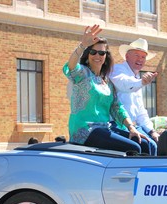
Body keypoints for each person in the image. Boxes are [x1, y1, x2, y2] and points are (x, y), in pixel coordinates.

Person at [63, 24, 150, 154]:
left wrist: (131, 128)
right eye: (93, 52)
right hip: (86, 130)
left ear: (106, 56)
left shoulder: (107, 81)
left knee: (143, 144)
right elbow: (71, 66)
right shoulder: (82, 74)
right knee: (134, 148)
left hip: (105, 128)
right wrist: (82, 45)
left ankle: (145, 174)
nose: (97, 56)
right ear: (87, 54)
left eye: (102, 53)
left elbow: (116, 107)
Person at [109, 38, 159, 156]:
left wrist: (152, 131)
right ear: (127, 56)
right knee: (147, 145)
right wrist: (141, 82)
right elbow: (124, 84)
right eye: (136, 55)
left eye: (143, 57)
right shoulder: (117, 69)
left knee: (156, 143)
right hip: (117, 124)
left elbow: (141, 111)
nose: (140, 59)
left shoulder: (137, 79)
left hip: (132, 126)